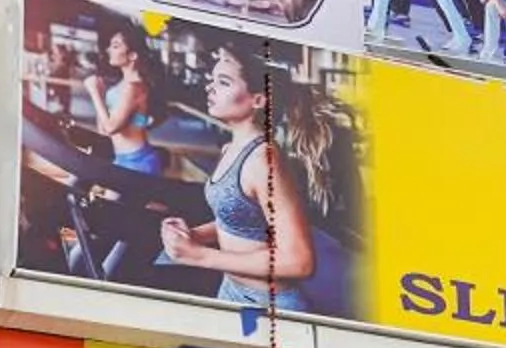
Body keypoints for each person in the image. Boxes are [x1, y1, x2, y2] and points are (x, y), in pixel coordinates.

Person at [159, 42, 339, 307]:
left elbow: (298, 260)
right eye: (212, 80)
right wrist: (195, 236)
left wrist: (201, 256)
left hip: (269, 306)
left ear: (257, 100)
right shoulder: (231, 147)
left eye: (223, 82)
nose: (210, 87)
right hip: (232, 290)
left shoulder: (263, 160)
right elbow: (241, 224)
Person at [82, 28, 166, 176]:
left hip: (139, 163)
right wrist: (100, 95)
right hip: (121, 159)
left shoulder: (135, 88)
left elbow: (110, 128)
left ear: (132, 55)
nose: (108, 50)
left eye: (115, 46)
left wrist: (95, 93)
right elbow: (104, 131)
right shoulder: (120, 86)